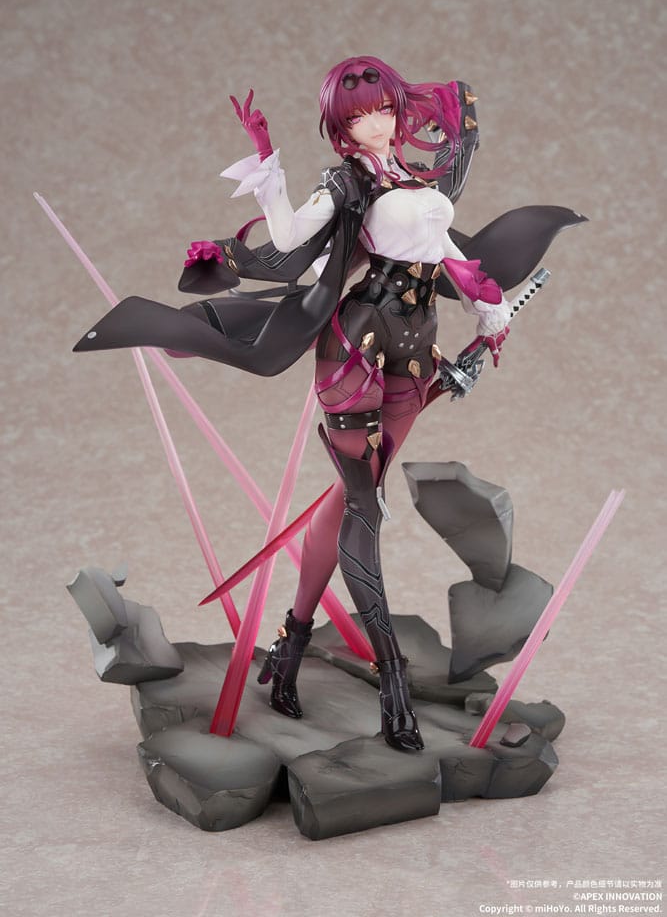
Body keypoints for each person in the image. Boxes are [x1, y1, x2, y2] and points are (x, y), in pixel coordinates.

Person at [74, 56, 579, 751]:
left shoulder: (411, 178)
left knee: (346, 500)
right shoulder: (345, 182)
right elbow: (286, 242)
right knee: (364, 511)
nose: (375, 123)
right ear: (340, 127)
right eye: (358, 116)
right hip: (357, 350)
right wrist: (267, 166)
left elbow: (446, 253)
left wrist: (488, 315)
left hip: (416, 348)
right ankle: (392, 685)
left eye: (383, 109)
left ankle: (289, 645)